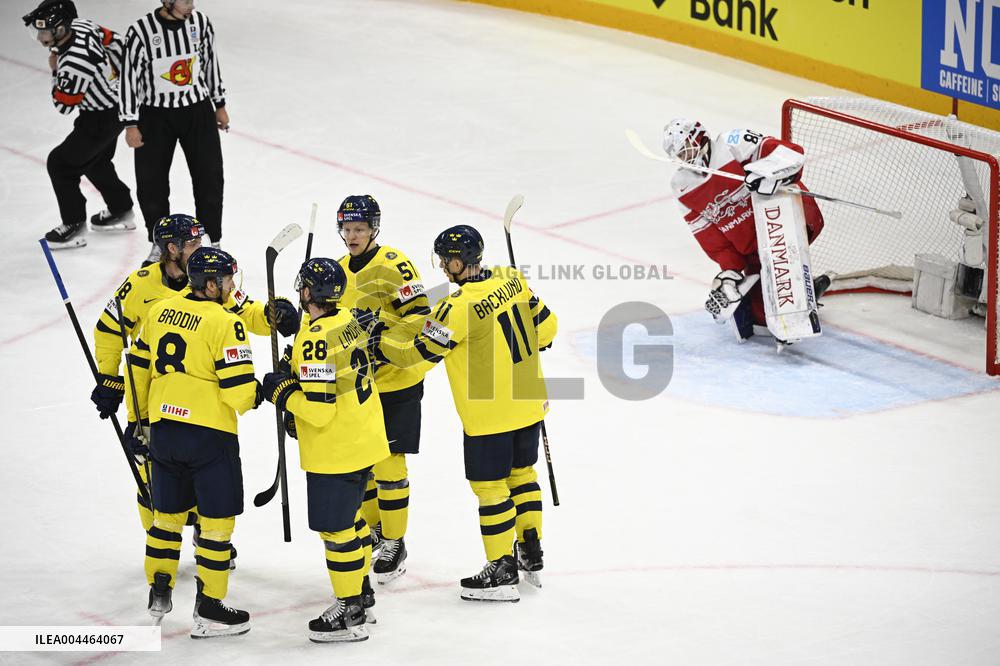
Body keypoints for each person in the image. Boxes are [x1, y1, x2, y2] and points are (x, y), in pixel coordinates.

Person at [90, 214, 297, 552]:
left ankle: (206, 535)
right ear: (171, 249)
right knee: (150, 476)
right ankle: (160, 543)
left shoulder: (207, 281)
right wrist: (109, 378)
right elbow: (109, 330)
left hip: (200, 400)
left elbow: (245, 311)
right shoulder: (141, 284)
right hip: (151, 398)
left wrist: (273, 316)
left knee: (204, 471)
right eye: (193, 244)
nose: (200, 249)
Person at [373, 225, 556, 602]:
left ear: (456, 262)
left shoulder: (454, 308)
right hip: (529, 400)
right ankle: (531, 552)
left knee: (490, 489)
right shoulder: (512, 280)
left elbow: (414, 355)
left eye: (444, 261)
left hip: (488, 415)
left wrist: (379, 339)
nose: (442, 268)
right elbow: (548, 329)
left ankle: (501, 569)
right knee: (523, 476)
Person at [130, 247, 261, 637]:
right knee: (217, 526)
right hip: (209, 436)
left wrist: (137, 421)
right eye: (228, 281)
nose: (232, 287)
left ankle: (159, 590)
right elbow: (239, 393)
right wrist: (267, 390)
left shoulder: (160, 310)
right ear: (211, 284)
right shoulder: (224, 322)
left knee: (166, 518)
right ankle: (210, 609)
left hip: (164, 431)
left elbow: (137, 364)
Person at [262, 258, 390, 643]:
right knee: (352, 521)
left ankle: (350, 609)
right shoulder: (347, 320)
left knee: (336, 531)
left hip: (337, 449)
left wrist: (282, 393)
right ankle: (361, 590)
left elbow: (318, 410)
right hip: (365, 437)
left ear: (307, 293)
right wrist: (295, 364)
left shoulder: (315, 339)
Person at [335, 195, 430, 584]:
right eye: (347, 229)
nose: (352, 236)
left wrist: (383, 339)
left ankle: (395, 541)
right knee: (368, 463)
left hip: (398, 380)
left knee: (390, 463)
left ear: (374, 228)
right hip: (362, 384)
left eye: (359, 229)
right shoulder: (339, 269)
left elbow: (422, 315)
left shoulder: (394, 265)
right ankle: (376, 530)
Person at [662, 119, 829, 340]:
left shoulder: (734, 142)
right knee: (759, 318)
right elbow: (710, 236)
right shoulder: (682, 186)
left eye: (685, 149)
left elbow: (791, 153)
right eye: (679, 155)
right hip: (754, 251)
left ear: (698, 136)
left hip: (788, 221)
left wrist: (767, 174)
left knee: (786, 308)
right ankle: (806, 290)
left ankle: (798, 296)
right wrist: (730, 270)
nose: (684, 158)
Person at [119, 0, 229, 263]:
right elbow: (128, 78)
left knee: (210, 176)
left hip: (197, 111)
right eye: (185, 0)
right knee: (151, 182)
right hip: (155, 115)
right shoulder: (141, 31)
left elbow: (210, 63)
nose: (191, 5)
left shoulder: (200, 23)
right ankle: (160, 243)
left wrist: (220, 104)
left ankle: (212, 239)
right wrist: (130, 123)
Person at [23, 0, 134, 250]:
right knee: (95, 161)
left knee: (60, 164)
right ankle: (121, 208)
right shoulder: (83, 26)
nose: (40, 36)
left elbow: (63, 105)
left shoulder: (73, 62)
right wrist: (119, 77)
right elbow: (117, 42)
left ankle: (74, 226)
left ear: (61, 30)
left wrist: (55, 71)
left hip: (99, 119)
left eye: (45, 31)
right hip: (115, 106)